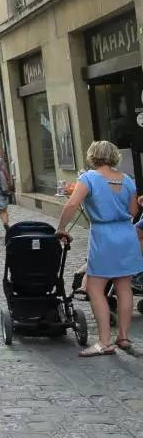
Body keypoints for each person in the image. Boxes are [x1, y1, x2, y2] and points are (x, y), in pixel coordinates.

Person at [57, 140, 143, 356]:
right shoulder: (128, 180)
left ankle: (104, 341)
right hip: (126, 233)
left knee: (95, 288)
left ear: (93, 156)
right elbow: (133, 211)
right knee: (124, 287)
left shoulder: (88, 178)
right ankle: (123, 337)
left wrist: (61, 227)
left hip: (104, 235)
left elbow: (71, 205)